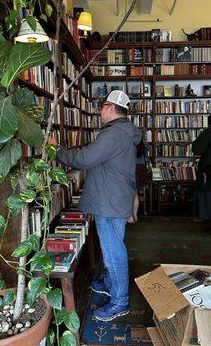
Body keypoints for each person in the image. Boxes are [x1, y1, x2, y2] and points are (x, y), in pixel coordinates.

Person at [50, 90, 142, 321]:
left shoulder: (113, 134)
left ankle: (119, 301)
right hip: (113, 197)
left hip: (109, 201)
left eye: (102, 106)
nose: (100, 111)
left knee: (112, 252)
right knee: (113, 247)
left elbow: (83, 160)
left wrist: (56, 149)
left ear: (111, 108)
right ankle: (111, 284)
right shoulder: (123, 132)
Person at [127, 139, 150, 224]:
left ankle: (129, 216)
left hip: (132, 167)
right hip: (141, 168)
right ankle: (135, 215)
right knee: (136, 194)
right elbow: (148, 148)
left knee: (130, 193)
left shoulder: (129, 142)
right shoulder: (141, 141)